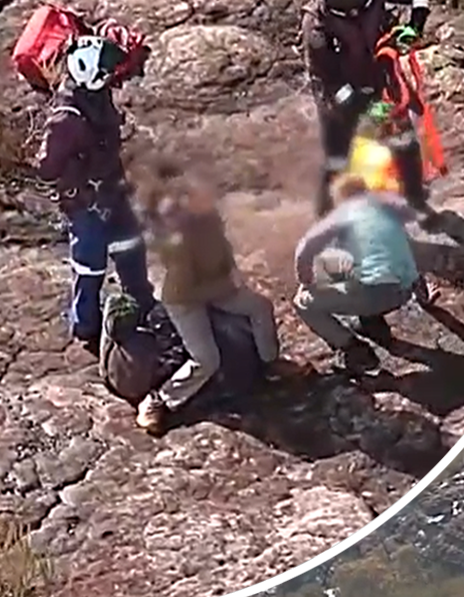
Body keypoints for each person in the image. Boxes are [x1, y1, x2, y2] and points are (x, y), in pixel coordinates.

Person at [133, 161, 293, 433]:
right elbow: (187, 282)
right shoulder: (176, 235)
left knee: (259, 307)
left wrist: (233, 272)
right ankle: (159, 400)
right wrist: (224, 287)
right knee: (206, 359)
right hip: (184, 298)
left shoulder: (208, 217)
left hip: (215, 287)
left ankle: (270, 363)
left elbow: (223, 246)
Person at [34, 35, 159, 352]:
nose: (110, 76)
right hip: (87, 202)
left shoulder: (95, 96)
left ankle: (141, 305)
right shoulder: (65, 119)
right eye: (105, 71)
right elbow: (46, 167)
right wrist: (78, 179)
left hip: (111, 191)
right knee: (90, 266)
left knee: (131, 247)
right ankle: (85, 325)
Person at [301, 0, 433, 216]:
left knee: (403, 140)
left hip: (378, 83)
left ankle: (415, 197)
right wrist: (351, 103)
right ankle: (325, 216)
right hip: (334, 95)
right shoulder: (317, 22)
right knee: (338, 155)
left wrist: (414, 27)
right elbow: (322, 74)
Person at [292, 172, 437, 373]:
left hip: (373, 296)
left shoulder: (340, 219)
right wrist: (423, 295)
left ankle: (353, 348)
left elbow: (305, 249)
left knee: (303, 301)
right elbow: (412, 254)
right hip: (403, 292)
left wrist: (306, 280)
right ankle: (372, 322)